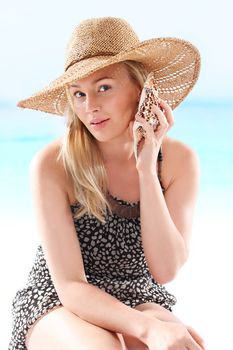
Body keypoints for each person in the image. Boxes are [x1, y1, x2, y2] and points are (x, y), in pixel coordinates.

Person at [9, 17, 205, 350]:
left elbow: (165, 269)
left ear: (141, 89)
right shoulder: (52, 165)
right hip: (59, 298)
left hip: (137, 293)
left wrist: (146, 168)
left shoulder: (178, 161)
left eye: (104, 87)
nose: (91, 107)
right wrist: (147, 329)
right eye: (78, 94)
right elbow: (71, 285)